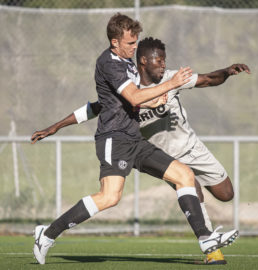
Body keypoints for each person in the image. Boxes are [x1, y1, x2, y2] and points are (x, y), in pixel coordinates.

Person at [31, 13, 239, 265]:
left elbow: (133, 99)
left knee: (184, 175)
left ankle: (205, 239)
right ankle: (48, 233)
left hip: (134, 139)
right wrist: (170, 84)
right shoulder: (109, 63)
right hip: (114, 138)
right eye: (130, 43)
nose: (134, 47)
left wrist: (155, 98)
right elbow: (131, 98)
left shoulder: (127, 63)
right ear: (115, 42)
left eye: (135, 42)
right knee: (110, 197)